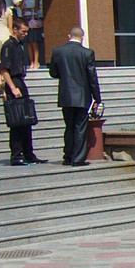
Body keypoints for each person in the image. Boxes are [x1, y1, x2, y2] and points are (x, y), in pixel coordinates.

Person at [48, 26, 102, 167]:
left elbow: (53, 73)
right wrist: (97, 97)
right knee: (80, 127)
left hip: (66, 95)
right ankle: (78, 158)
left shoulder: (58, 51)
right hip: (82, 96)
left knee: (69, 126)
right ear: (82, 37)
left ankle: (68, 156)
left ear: (68, 35)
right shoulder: (87, 53)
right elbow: (92, 77)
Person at [0, 18, 47, 166]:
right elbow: (5, 70)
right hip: (14, 83)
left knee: (26, 120)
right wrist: (12, 88)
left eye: (27, 31)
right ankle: (16, 155)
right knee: (17, 122)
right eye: (23, 31)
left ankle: (28, 154)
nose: (25, 34)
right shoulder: (8, 46)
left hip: (20, 81)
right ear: (15, 29)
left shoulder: (19, 46)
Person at [17, 0, 44, 69]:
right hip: (26, 19)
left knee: (34, 41)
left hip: (33, 19)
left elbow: (36, 8)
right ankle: (31, 61)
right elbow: (21, 8)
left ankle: (36, 61)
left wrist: (27, 9)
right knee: (28, 42)